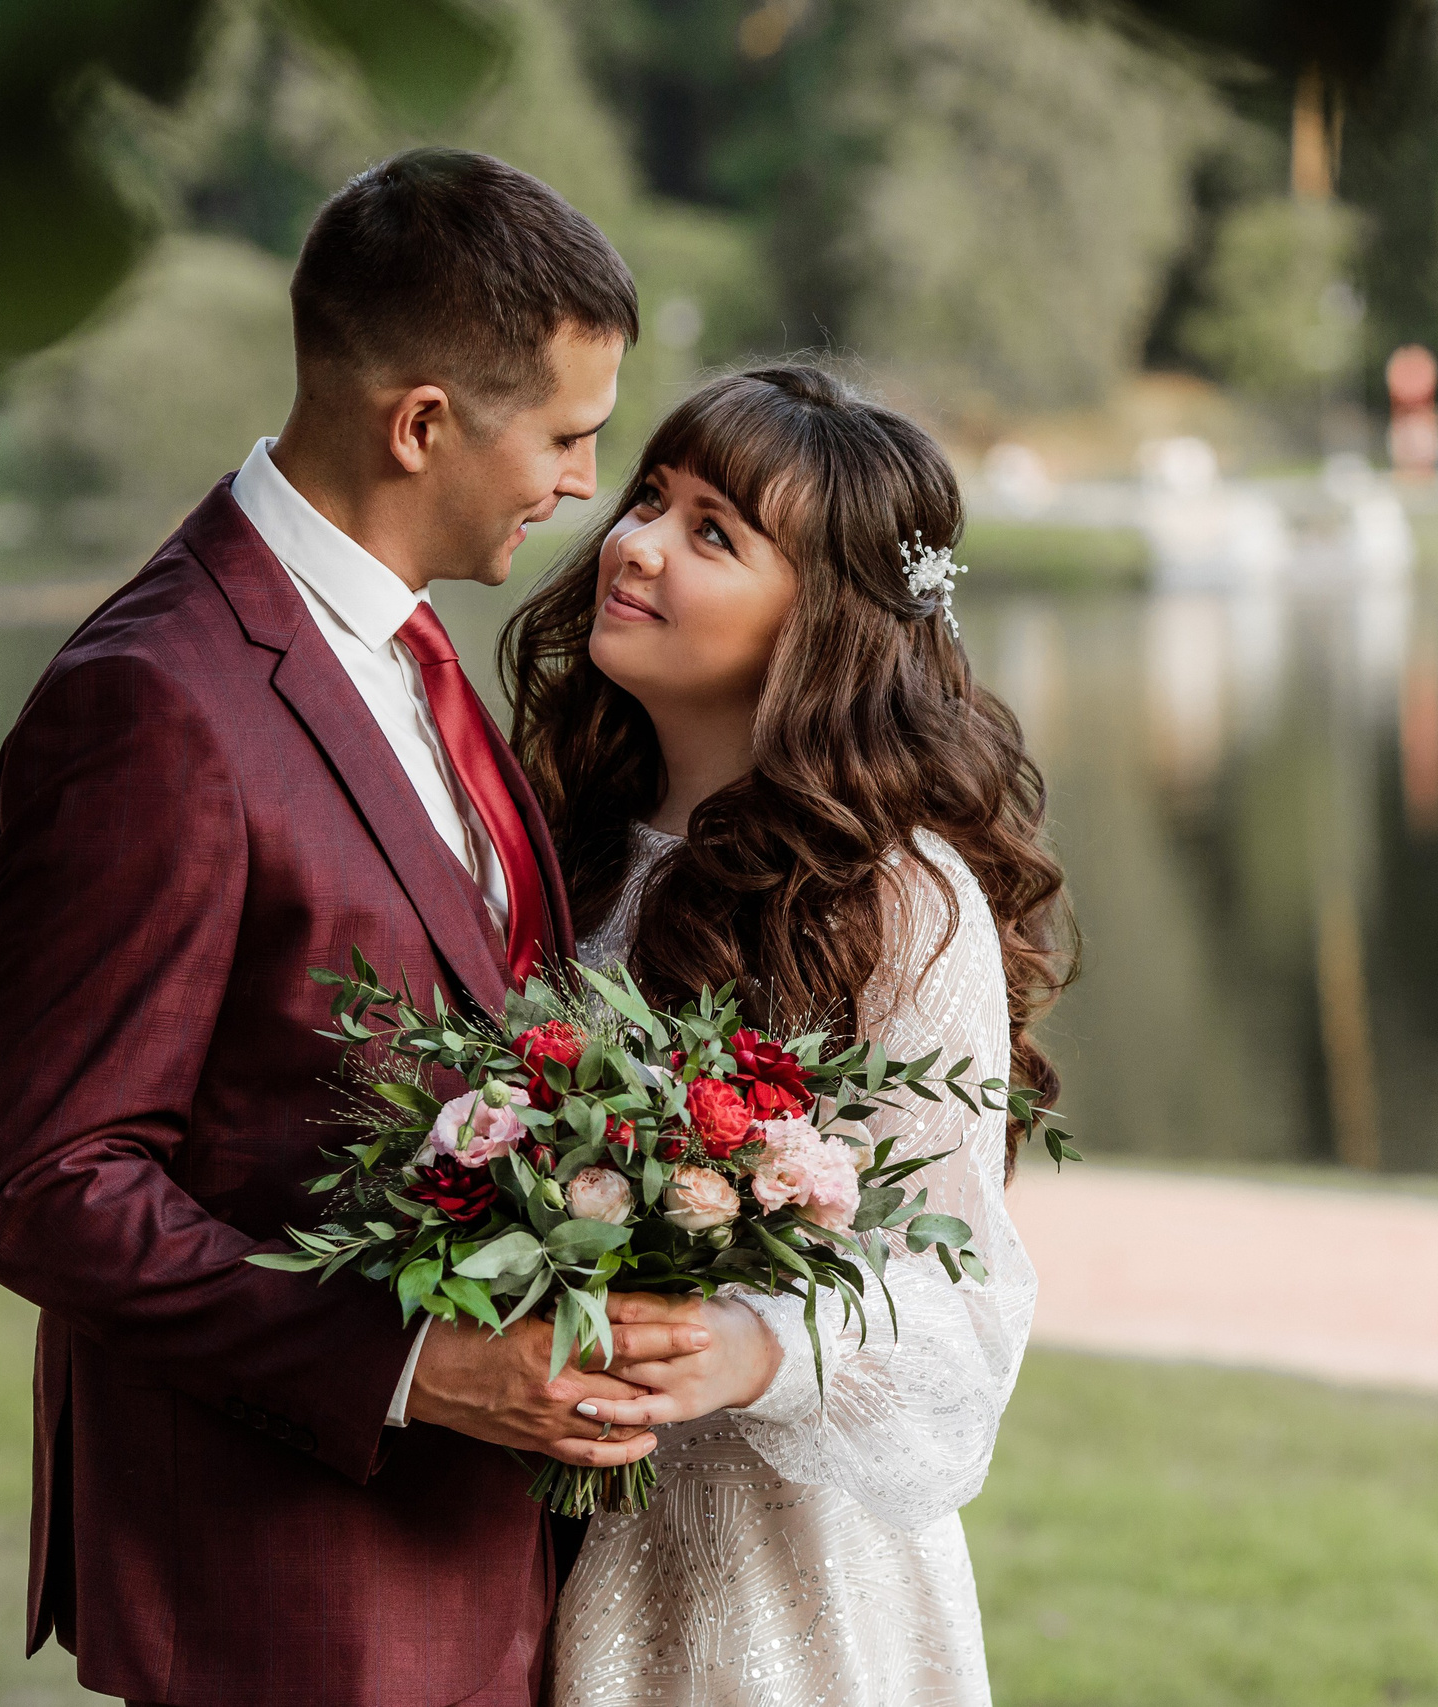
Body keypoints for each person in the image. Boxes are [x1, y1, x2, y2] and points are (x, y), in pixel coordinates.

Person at [0, 148, 682, 1706]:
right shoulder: (153, 705)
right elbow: (51, 1186)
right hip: (283, 1587)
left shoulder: (419, 652)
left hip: (480, 1560)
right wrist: (418, 1364)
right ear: (422, 423)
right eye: (567, 437)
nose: (581, 487)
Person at [501, 365, 1074, 1706]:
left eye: (713, 531)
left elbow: (962, 1304)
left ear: (821, 622)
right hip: (520, 1538)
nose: (634, 542)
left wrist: (758, 1346)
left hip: (788, 1591)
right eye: (650, 498)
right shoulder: (544, 843)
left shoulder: (899, 898)